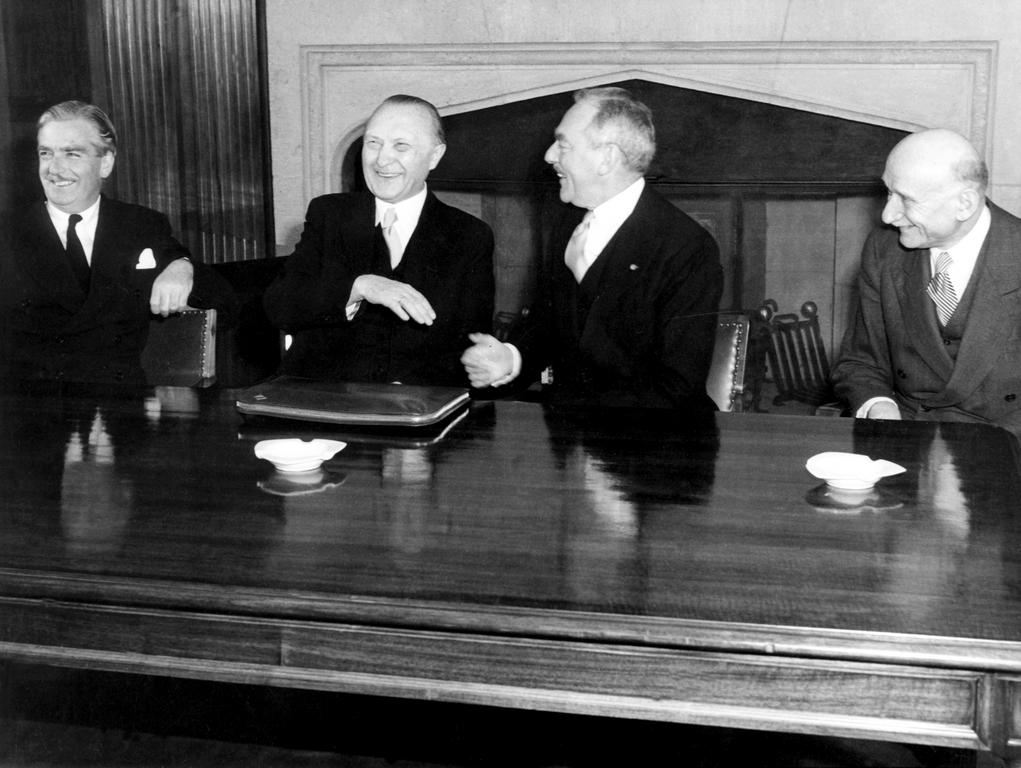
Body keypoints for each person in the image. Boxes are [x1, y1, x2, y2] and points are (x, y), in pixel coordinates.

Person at [461, 87, 723, 410]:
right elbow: (550, 325)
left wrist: (587, 441)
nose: (549, 155)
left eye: (563, 144)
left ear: (606, 158)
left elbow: (678, 386)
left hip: (653, 445)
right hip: (568, 438)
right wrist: (510, 358)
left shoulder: (687, 247)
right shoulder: (567, 223)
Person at [263, 94, 494, 387]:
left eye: (401, 146)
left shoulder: (470, 235)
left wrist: (411, 393)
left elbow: (474, 346)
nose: (382, 160)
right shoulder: (330, 214)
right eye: (373, 143)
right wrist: (358, 287)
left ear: (434, 156)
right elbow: (279, 305)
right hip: (323, 402)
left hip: (415, 410)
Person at [0, 100, 235, 388]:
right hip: (31, 411)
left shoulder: (139, 225)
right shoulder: (8, 232)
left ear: (106, 163)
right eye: (46, 154)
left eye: (72, 154)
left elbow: (225, 302)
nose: (54, 169)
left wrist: (182, 268)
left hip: (121, 410)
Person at [832, 128, 1021, 438]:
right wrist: (879, 405)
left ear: (964, 204)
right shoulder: (883, 250)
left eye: (906, 200)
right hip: (908, 435)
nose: (888, 215)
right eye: (889, 192)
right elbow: (860, 361)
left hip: (1005, 446)